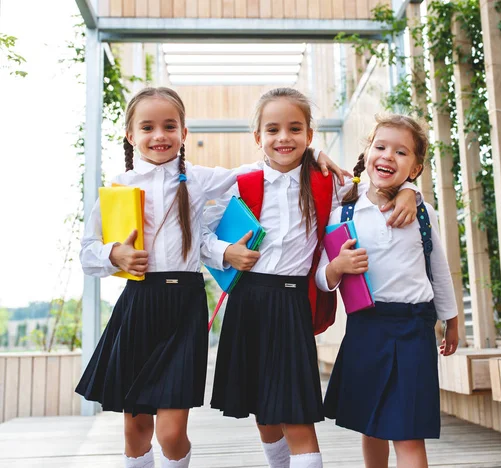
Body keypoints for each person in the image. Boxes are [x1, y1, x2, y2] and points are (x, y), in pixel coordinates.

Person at [75, 86, 342, 468]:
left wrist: (314, 154)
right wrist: (112, 254)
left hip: (184, 308)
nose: (159, 136)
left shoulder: (201, 180)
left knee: (170, 433)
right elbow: (88, 254)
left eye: (170, 126)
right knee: (134, 427)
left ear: (184, 133)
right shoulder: (118, 188)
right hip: (137, 307)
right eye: (147, 127)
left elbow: (271, 164)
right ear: (131, 135)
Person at [201, 88, 420, 468]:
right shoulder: (239, 181)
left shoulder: (328, 183)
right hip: (247, 302)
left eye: (295, 129)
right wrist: (224, 252)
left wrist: (410, 193)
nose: (284, 137)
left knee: (297, 412)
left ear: (310, 134)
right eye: (272, 130)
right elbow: (198, 230)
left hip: (291, 303)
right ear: (257, 137)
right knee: (264, 415)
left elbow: (375, 188)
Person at [316, 114, 459, 468]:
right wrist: (338, 267)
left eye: (401, 152)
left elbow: (438, 269)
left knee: (408, 431)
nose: (387, 156)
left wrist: (452, 320)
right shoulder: (343, 212)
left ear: (415, 167)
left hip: (413, 328)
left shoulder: (423, 212)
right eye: (380, 147)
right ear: (366, 154)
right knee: (372, 423)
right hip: (367, 326)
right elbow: (322, 278)